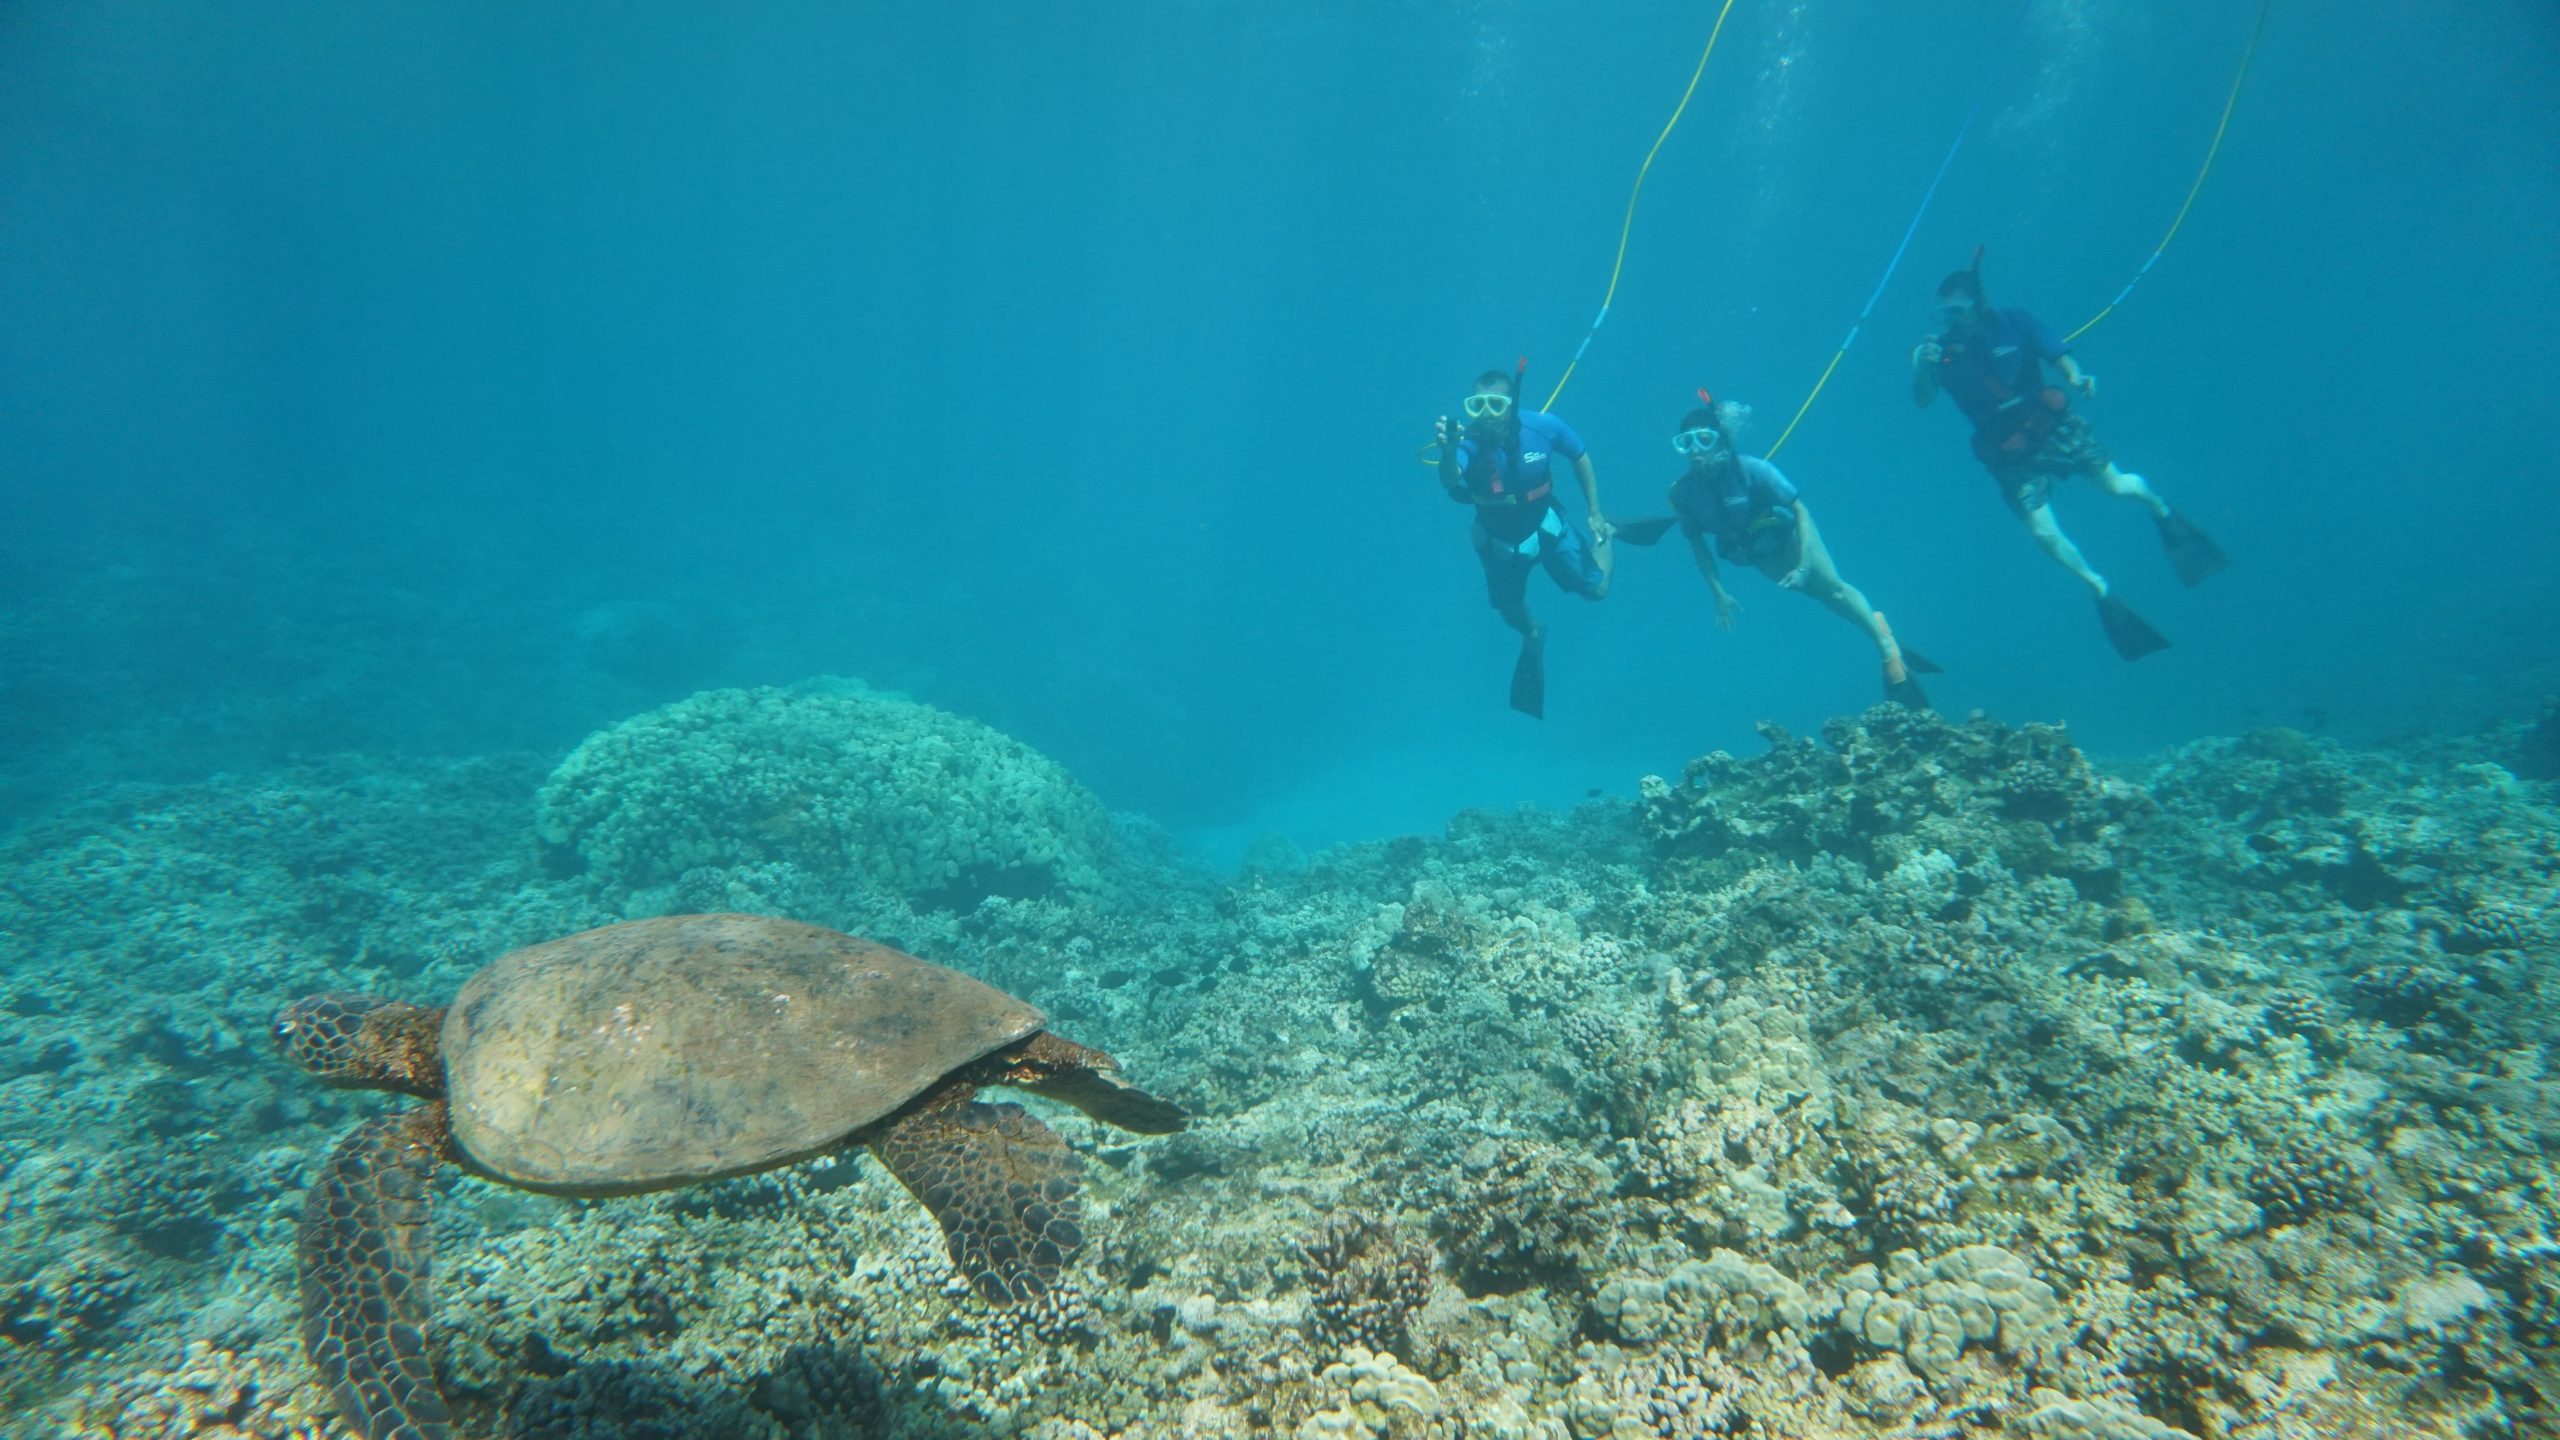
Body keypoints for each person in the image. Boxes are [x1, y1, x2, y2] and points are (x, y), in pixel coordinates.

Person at [1911, 256, 2227, 660]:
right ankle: (2098, 586)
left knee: (2116, 486)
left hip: (2051, 424)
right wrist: (1924, 369)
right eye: (1943, 313)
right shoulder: (1937, 352)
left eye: (1957, 310)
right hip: (2006, 448)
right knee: (2043, 533)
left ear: (1977, 303)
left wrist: (2076, 376)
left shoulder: (2015, 321)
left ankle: (2160, 509)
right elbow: (1922, 399)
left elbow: (2057, 355)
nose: (1951, 319)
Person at [1665, 392, 1937, 708]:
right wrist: (1718, 593)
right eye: (1686, 444)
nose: (1696, 452)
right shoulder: (1685, 494)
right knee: (1823, 597)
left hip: (1791, 540)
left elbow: (1801, 511)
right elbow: (1697, 545)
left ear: (1721, 440)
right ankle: (1877, 625)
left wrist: (1806, 561)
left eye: (1704, 439)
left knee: (1834, 589)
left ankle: (1887, 651)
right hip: (1758, 556)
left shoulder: (1754, 470)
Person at [1433, 366, 1615, 717]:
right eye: (1477, 405)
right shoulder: (1467, 440)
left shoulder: (1542, 427)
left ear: (1512, 404)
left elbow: (1579, 454)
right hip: (1496, 541)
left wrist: (1595, 511)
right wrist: (1448, 449)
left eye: (1496, 404)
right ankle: (1533, 633)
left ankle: (1610, 534)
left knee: (1597, 591)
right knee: (1509, 610)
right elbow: (1449, 478)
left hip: (1547, 526)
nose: (1486, 414)